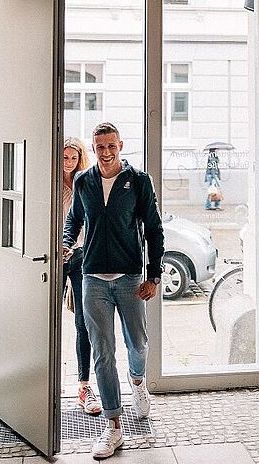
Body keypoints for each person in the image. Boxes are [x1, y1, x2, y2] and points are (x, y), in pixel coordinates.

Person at [62, 122, 164, 460]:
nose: (106, 153)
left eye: (111, 147)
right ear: (93, 148)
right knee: (102, 353)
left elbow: (154, 229)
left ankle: (137, 382)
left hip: (130, 278)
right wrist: (66, 244)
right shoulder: (84, 181)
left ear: (120, 146)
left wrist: (154, 275)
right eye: (100, 147)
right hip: (92, 278)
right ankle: (114, 426)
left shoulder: (138, 181)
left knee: (138, 343)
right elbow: (74, 219)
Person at [60, 137, 101, 415]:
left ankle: (84, 386)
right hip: (54, 257)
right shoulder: (49, 183)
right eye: (64, 158)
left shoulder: (84, 184)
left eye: (74, 158)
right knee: (44, 322)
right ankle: (44, 383)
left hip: (80, 255)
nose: (69, 163)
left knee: (83, 322)